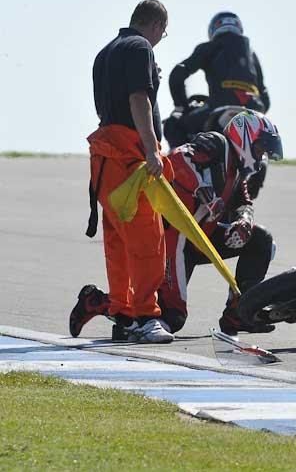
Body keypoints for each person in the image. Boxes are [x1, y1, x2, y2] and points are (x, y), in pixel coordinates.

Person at [70, 110, 283, 338]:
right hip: (173, 239)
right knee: (171, 318)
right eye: (261, 148)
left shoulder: (239, 173)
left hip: (199, 240)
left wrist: (243, 222)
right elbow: (177, 158)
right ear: (245, 137)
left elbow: (245, 203)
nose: (262, 157)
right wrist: (202, 189)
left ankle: (238, 314)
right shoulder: (216, 144)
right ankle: (98, 302)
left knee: (261, 241)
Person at [70, 0, 173, 343]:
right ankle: (146, 316)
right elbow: (138, 99)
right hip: (129, 156)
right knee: (147, 241)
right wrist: (150, 150)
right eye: (164, 32)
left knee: (117, 240)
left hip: (103, 158)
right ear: (156, 25)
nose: (161, 38)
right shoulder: (141, 47)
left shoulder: (106, 52)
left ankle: (124, 314)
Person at [163, 12, 271, 148]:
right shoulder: (252, 55)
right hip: (254, 109)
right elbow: (265, 96)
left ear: (213, 29)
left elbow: (178, 73)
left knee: (174, 124)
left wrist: (182, 105)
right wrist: (259, 109)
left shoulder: (210, 47)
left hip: (218, 108)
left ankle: (184, 167)